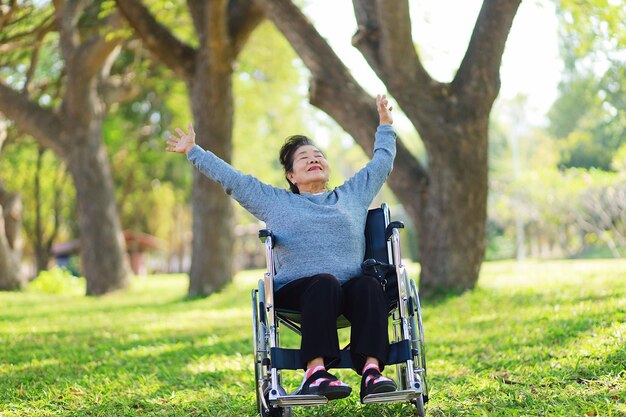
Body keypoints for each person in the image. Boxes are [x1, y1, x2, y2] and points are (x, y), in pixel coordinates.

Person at [167, 94, 397, 402]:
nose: (314, 159)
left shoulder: (352, 195)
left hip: (350, 296)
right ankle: (315, 374)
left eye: (318, 155)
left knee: (370, 285)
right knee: (324, 282)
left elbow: (381, 163)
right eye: (304, 158)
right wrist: (194, 151)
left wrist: (385, 124)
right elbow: (234, 180)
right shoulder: (276, 203)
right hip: (300, 294)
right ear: (291, 175)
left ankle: (371, 372)